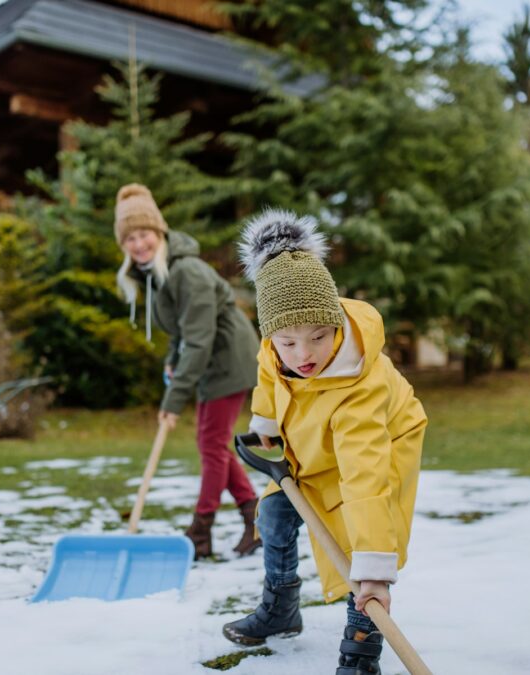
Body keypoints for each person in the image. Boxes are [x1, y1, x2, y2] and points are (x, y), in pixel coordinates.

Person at [221, 209, 427, 675]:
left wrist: (376, 569)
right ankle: (281, 609)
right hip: (311, 440)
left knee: (356, 539)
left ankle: (361, 648)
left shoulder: (360, 386)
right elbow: (268, 377)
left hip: (379, 444)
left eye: (318, 336)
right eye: (288, 342)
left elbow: (364, 478)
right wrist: (266, 425)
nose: (304, 354)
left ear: (335, 322)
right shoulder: (277, 350)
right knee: (272, 514)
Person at [114, 183, 262, 559]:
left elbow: (198, 338)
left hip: (227, 358)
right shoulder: (154, 274)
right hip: (209, 359)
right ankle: (255, 516)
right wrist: (171, 360)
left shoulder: (188, 271)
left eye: (143, 233)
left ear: (159, 232)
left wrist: (173, 399)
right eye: (129, 237)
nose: (138, 243)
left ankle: (201, 528)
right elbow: (180, 333)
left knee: (211, 444)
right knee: (213, 443)